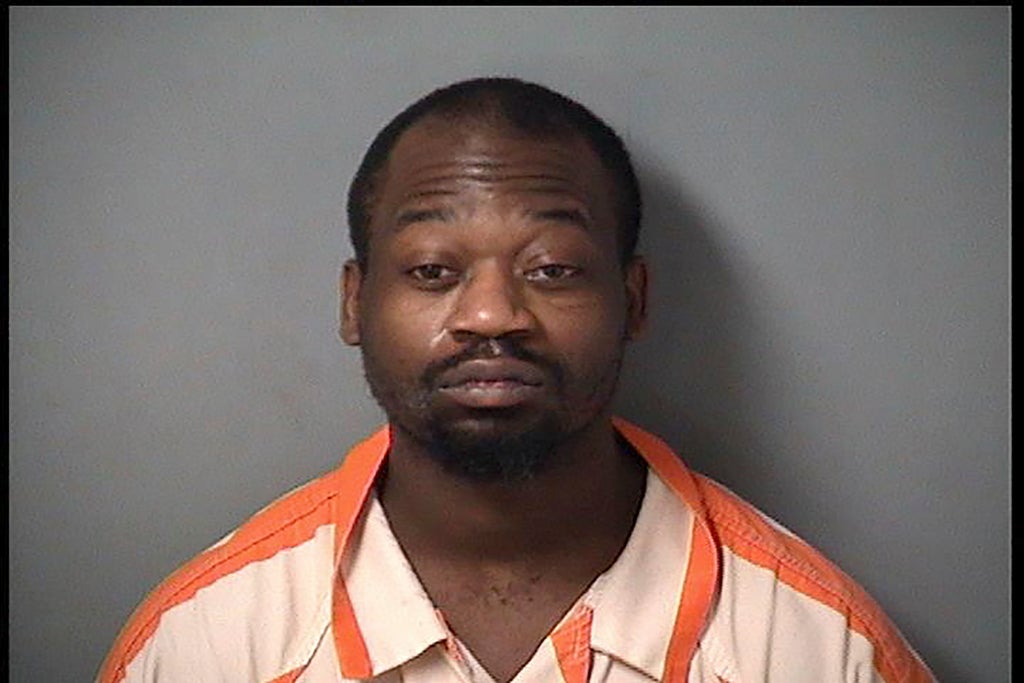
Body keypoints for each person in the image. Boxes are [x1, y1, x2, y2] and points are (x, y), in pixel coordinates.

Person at [98, 77, 934, 683]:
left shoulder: (821, 649)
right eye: (432, 270)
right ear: (355, 303)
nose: (492, 315)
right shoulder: (204, 644)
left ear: (634, 299)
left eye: (553, 268)